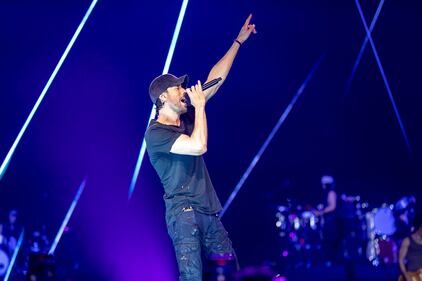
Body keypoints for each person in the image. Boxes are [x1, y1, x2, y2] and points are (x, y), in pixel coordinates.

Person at [144, 15, 256, 280]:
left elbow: (215, 79)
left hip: (207, 209)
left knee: (230, 272)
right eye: (177, 87)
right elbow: (198, 145)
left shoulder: (187, 116)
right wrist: (200, 106)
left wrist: (238, 41)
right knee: (192, 277)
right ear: (163, 97)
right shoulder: (156, 133)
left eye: (184, 86)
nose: (184, 90)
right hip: (183, 213)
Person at [314, 175, 339, 265]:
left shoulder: (331, 193)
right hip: (328, 221)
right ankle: (328, 261)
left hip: (331, 222)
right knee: (326, 241)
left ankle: (331, 261)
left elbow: (333, 206)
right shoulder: (327, 193)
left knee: (330, 241)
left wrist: (320, 212)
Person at [398, 215, 422, 281]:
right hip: (412, 275)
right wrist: (406, 276)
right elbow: (400, 259)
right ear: (420, 227)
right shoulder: (407, 240)